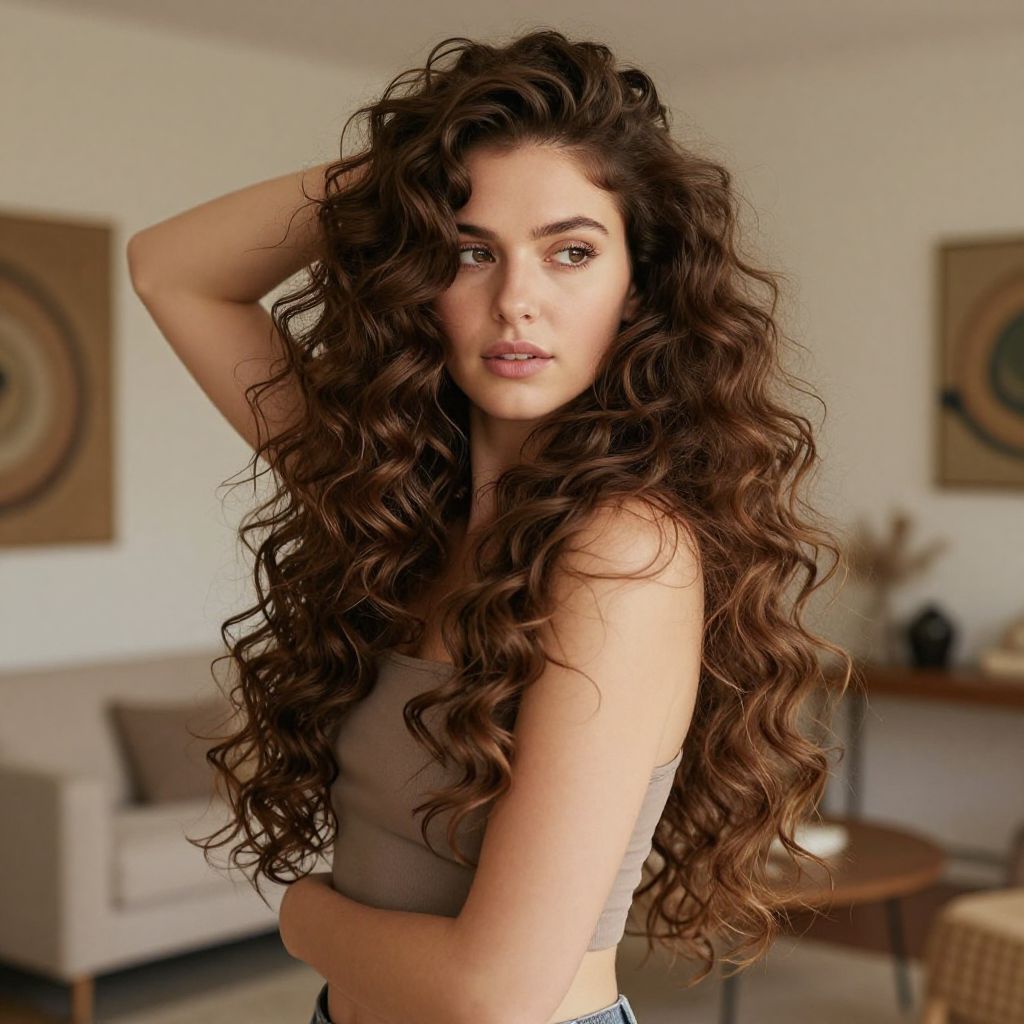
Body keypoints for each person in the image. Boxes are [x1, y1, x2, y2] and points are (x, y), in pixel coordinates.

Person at [128, 29, 855, 1024]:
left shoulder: (620, 557)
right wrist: (412, 167)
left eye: (570, 252)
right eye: (470, 250)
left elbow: (497, 990)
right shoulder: (398, 506)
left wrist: (304, 917)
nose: (517, 301)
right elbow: (169, 269)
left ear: (635, 287)